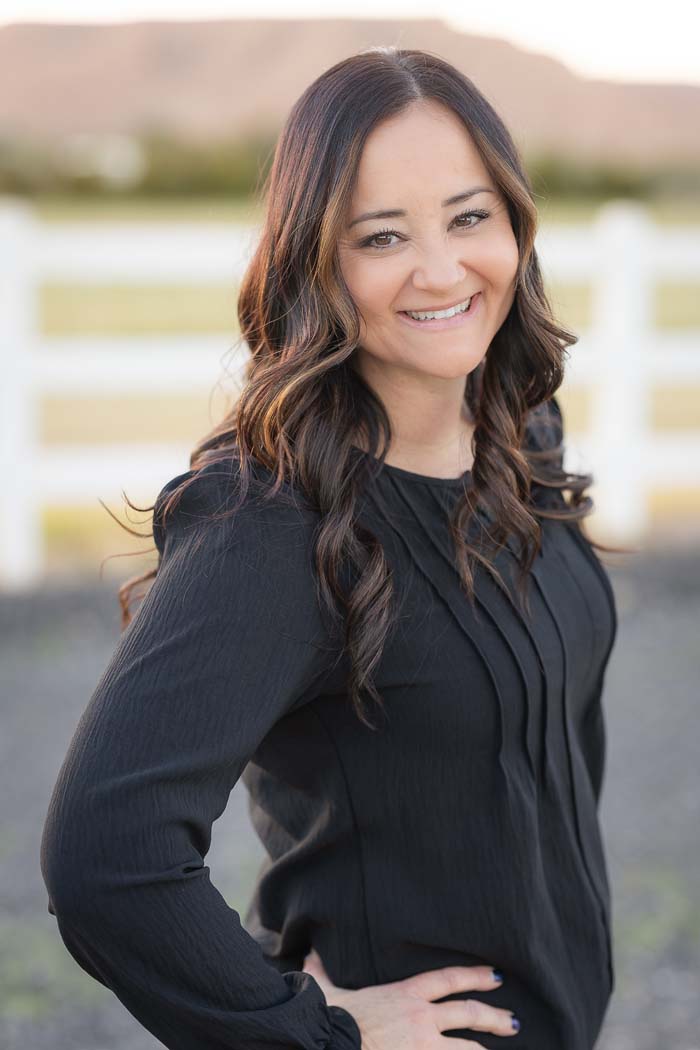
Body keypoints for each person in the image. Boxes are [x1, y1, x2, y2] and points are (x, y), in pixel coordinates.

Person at [40, 47, 626, 1050]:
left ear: (515, 220)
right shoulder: (270, 522)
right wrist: (311, 1034)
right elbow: (107, 857)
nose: (441, 268)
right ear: (318, 259)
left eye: (469, 215)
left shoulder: (519, 437)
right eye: (381, 235)